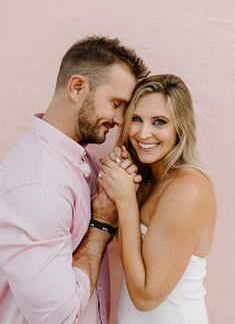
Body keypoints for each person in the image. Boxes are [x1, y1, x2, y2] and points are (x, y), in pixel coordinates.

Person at [0, 36, 148, 324]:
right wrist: (102, 224)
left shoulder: (79, 159)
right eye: (116, 103)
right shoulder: (39, 185)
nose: (120, 119)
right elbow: (57, 317)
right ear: (77, 87)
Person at [98, 74, 217, 324]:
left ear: (180, 128)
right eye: (137, 119)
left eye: (159, 122)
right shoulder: (150, 179)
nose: (144, 133)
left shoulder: (189, 189)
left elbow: (145, 297)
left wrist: (127, 201)